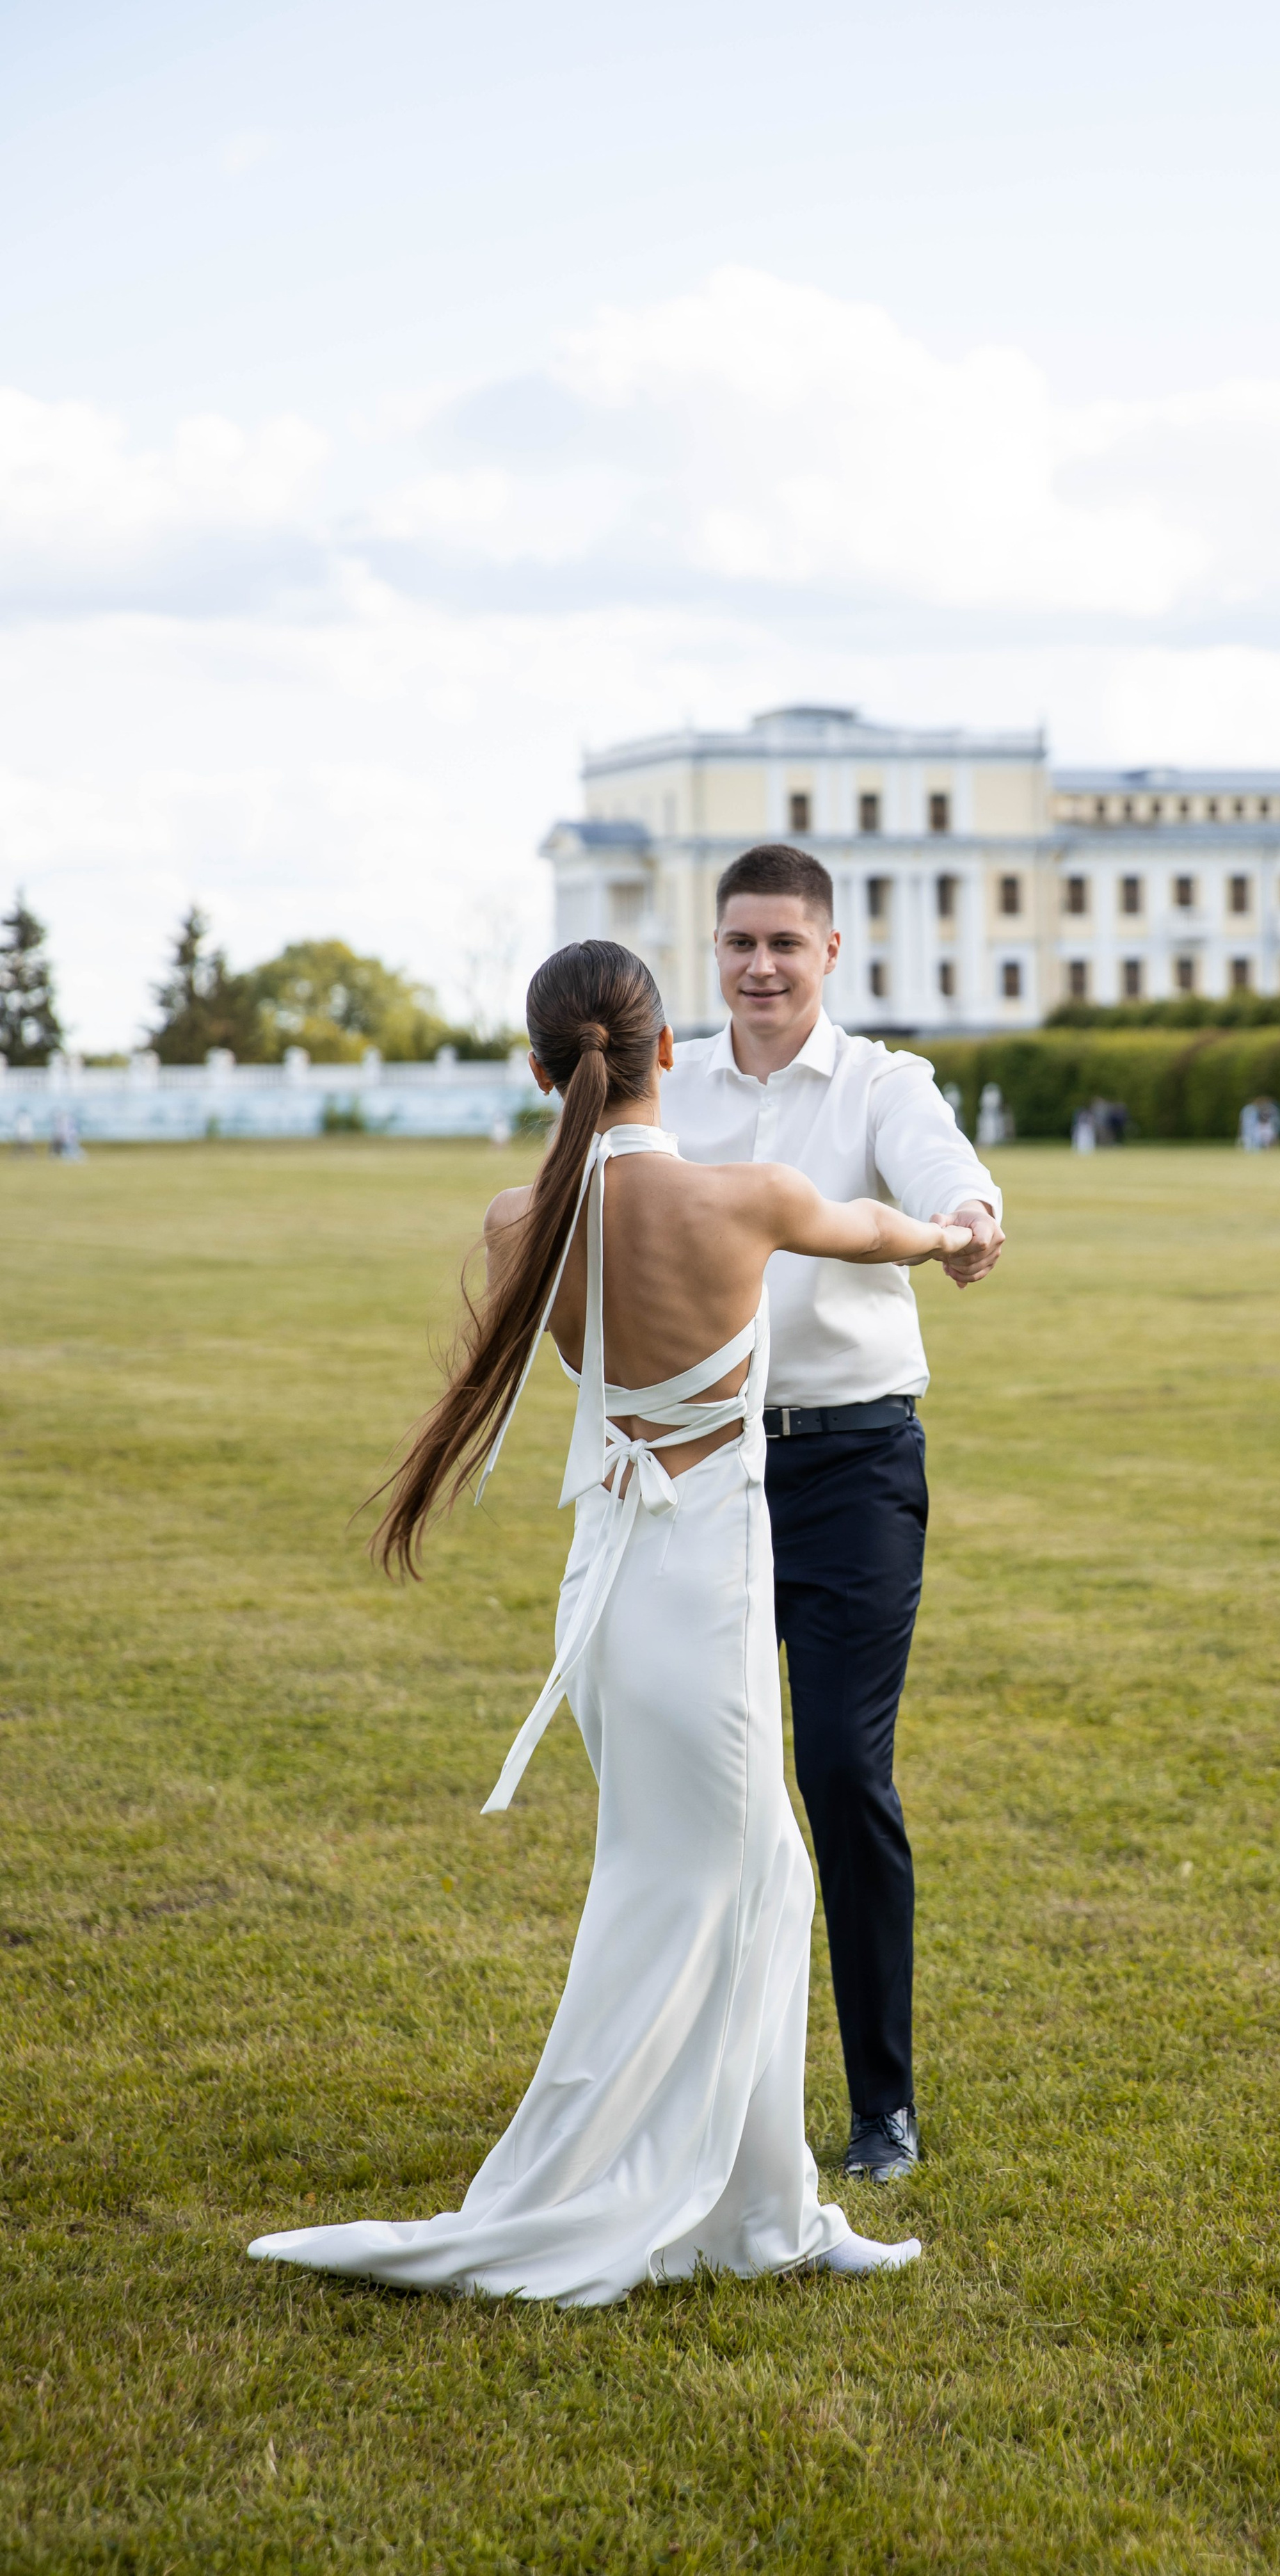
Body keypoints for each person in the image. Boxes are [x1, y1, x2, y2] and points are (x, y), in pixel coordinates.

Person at [248, 940, 971, 2307]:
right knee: (723, 1879)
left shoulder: (515, 1222)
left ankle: (765, 2206)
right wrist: (950, 1232)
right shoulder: (743, 1196)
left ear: (539, 1069)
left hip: (613, 1591)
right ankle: (690, 2199)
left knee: (729, 1874)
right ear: (670, 1057)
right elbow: (879, 1232)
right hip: (699, 1592)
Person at [662, 845, 1006, 2184]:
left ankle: (883, 2110)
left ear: (828, 955)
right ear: (718, 949)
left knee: (841, 1776)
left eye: (784, 946)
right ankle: (701, 2097)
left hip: (855, 1469)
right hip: (703, 1474)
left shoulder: (882, 1084)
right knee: (703, 1787)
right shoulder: (668, 1085)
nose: (759, 967)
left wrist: (968, 1218)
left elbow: (945, 1173)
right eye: (739, 943)